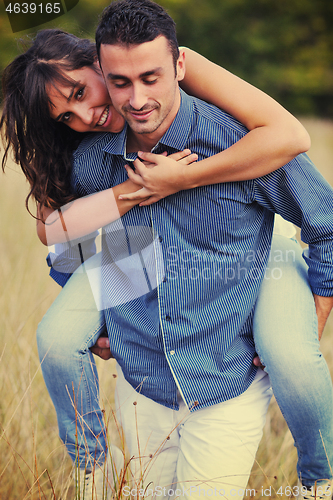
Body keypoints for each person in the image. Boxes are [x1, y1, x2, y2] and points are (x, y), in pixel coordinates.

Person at [0, 21, 331, 500]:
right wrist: (106, 315)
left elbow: (289, 137)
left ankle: (320, 480)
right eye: (65, 115)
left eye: (80, 91)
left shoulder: (184, 72)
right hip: (139, 239)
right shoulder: (90, 155)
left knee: (292, 354)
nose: (85, 113)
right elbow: (55, 235)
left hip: (252, 236)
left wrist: (182, 180)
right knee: (58, 336)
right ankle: (91, 469)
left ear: (100, 62)